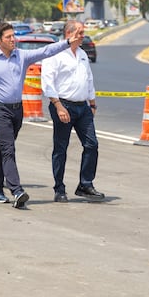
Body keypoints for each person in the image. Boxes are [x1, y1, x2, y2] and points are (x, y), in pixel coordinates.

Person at [0, 21, 82, 208]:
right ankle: (16, 190)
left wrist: (67, 42)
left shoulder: (22, 56)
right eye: (8, 37)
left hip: (17, 110)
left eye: (13, 36)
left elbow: (46, 51)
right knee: (8, 148)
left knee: (3, 149)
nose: (13, 40)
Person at [41, 20, 105, 203]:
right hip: (63, 105)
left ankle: (85, 184)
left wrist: (92, 104)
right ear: (69, 34)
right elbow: (47, 82)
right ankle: (59, 188)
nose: (83, 36)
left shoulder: (83, 54)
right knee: (61, 148)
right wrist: (58, 106)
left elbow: (89, 79)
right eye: (80, 32)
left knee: (92, 144)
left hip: (82, 107)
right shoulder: (55, 54)